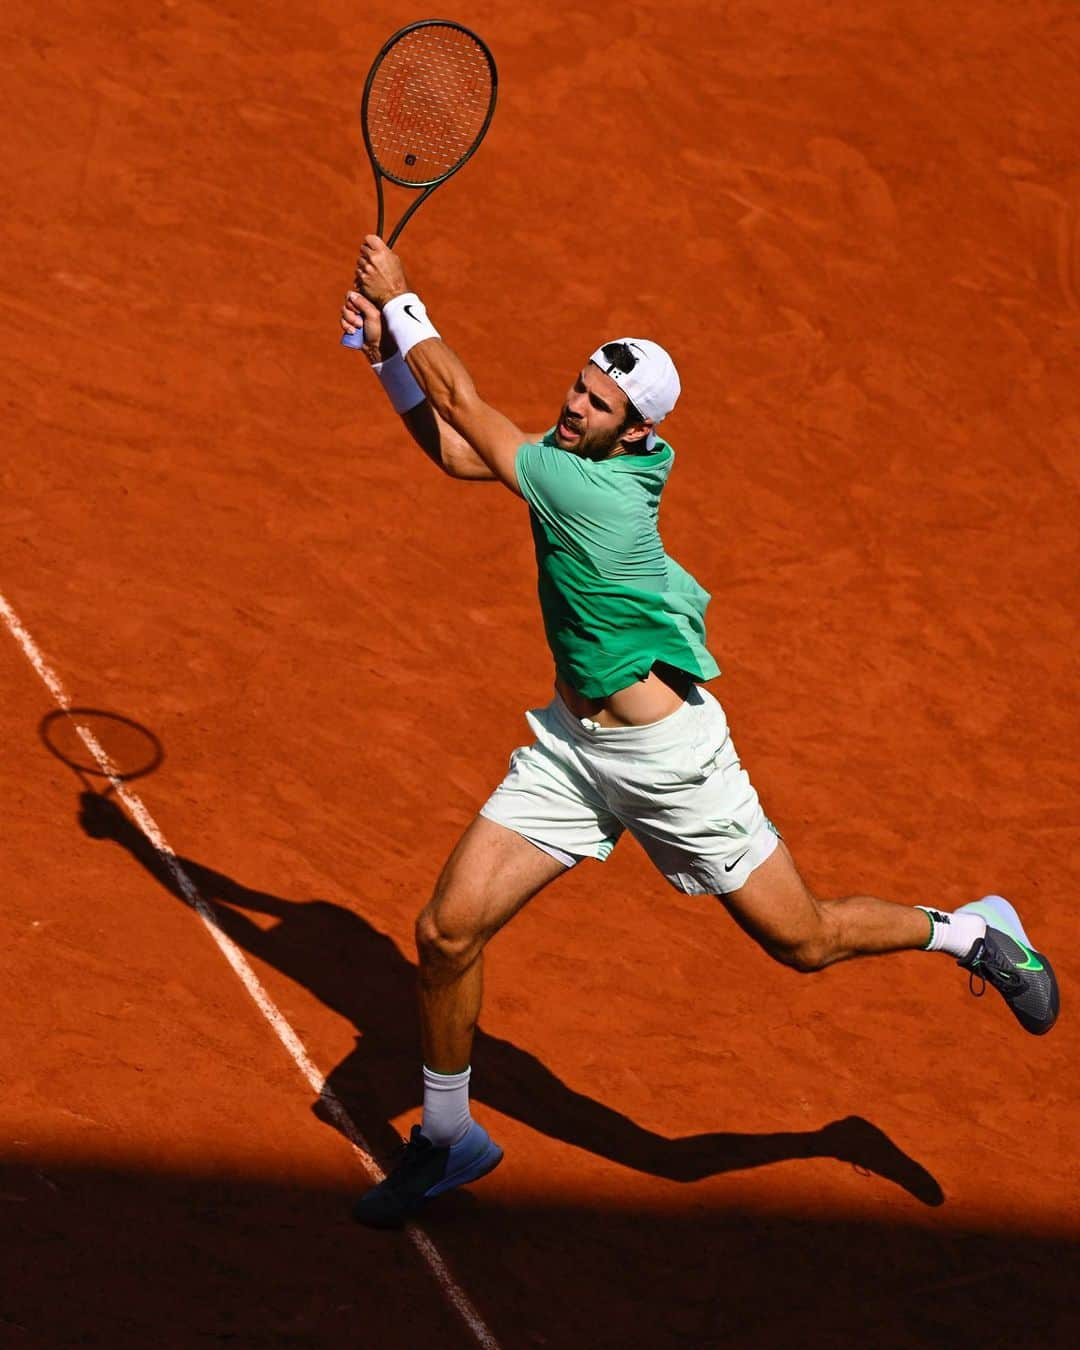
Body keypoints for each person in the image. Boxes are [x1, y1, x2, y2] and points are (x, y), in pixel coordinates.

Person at [339, 236, 1059, 1229]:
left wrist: (402, 302)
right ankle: (450, 1139)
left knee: (801, 943)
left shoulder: (595, 494)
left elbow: (464, 407)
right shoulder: (576, 463)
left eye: (596, 405)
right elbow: (464, 453)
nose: (573, 406)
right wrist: (386, 357)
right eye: (578, 387)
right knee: (444, 933)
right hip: (573, 752)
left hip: (673, 764)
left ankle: (974, 932)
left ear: (635, 434)